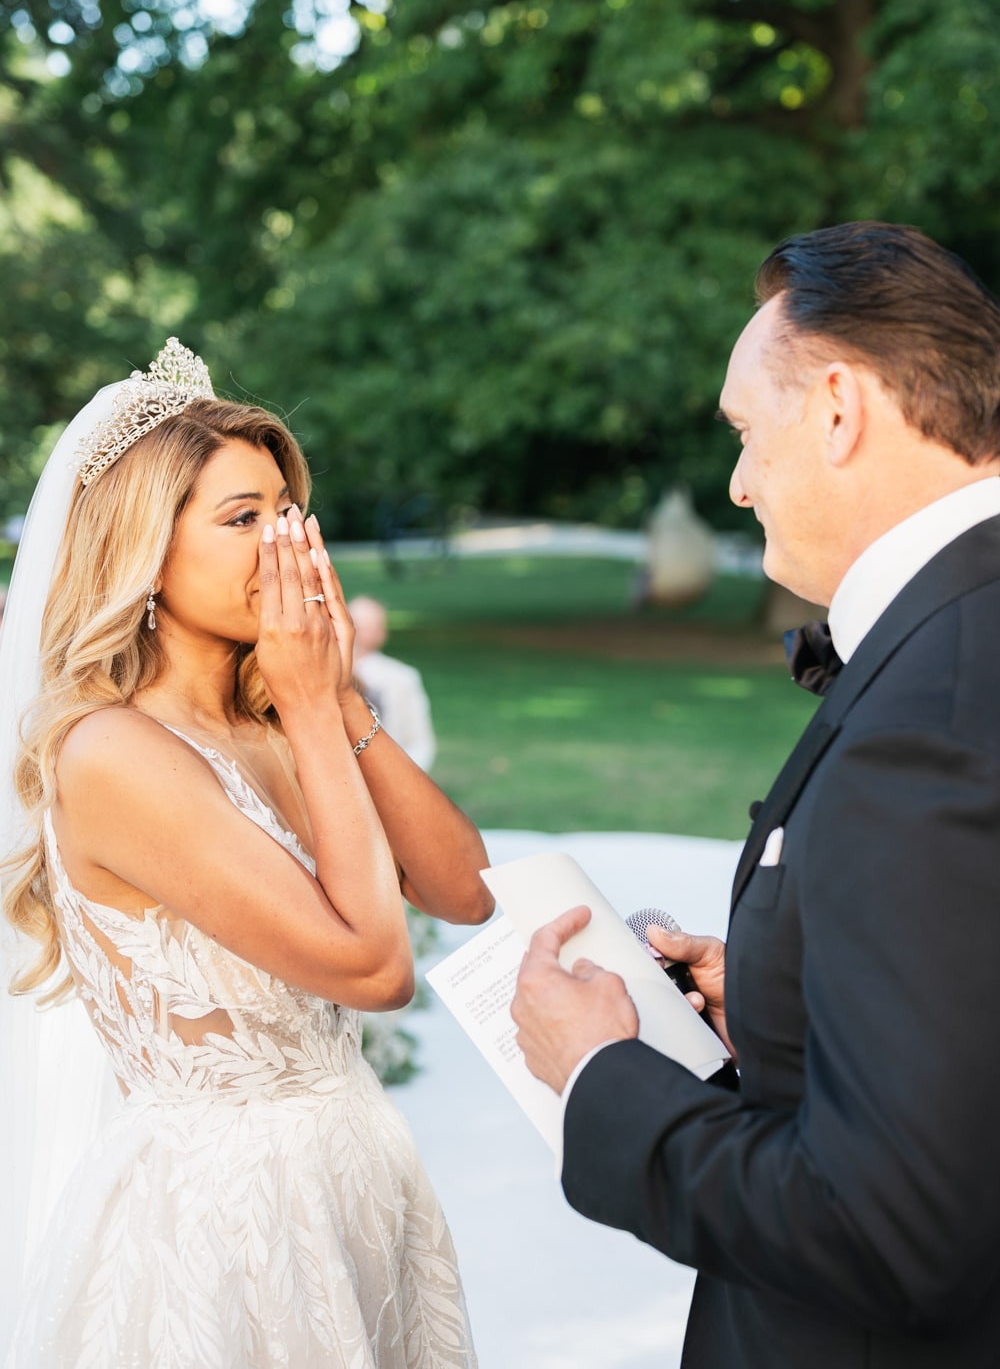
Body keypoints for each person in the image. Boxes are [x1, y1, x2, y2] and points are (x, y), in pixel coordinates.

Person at [511, 222, 1000, 1368]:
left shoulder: (927, 718)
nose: (735, 482)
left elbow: (890, 1236)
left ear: (837, 409)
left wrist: (601, 1074)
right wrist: (787, 1008)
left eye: (744, 432)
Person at [0, 339, 494, 1368]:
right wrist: (313, 703)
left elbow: (465, 888)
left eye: (286, 511)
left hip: (358, 1188)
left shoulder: (278, 726)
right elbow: (376, 970)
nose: (284, 544)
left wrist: (336, 695)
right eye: (241, 518)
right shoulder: (112, 752)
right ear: (145, 550)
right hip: (227, 1230)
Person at [348, 596, 437, 772]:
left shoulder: (402, 678)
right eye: (356, 624)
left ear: (382, 633)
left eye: (369, 626)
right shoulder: (320, 674)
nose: (359, 632)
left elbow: (419, 742)